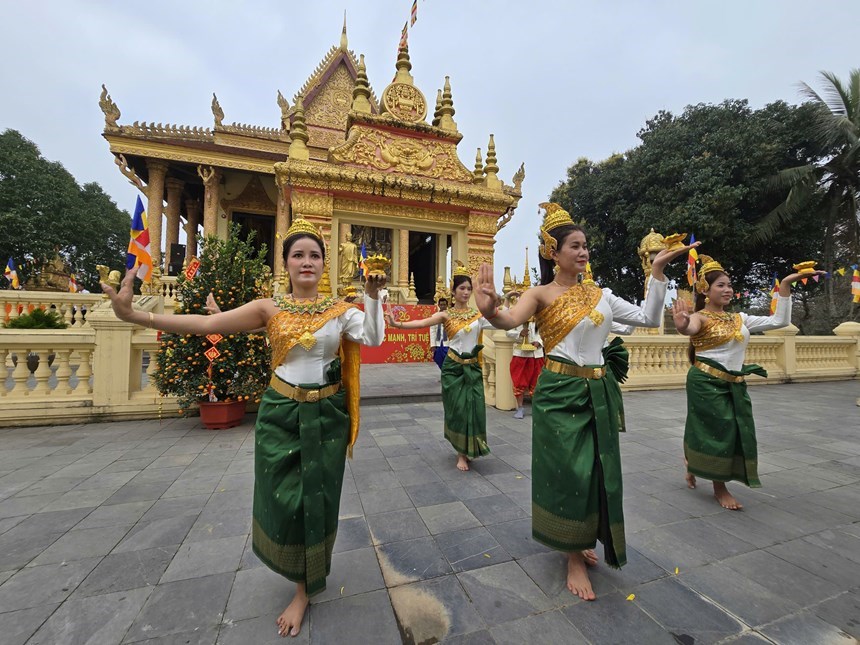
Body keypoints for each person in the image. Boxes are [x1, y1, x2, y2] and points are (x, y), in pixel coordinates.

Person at [101, 217, 386, 638]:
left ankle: (304, 589)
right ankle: (295, 571)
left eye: (314, 255)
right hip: (279, 415)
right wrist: (134, 316)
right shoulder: (268, 309)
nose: (306, 262)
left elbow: (376, 338)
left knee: (317, 500)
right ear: (285, 263)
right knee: (285, 500)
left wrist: (373, 296)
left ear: (325, 264)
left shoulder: (340, 311)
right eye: (298, 255)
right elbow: (206, 325)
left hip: (326, 416)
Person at [474, 203, 696, 601]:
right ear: (553, 253)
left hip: (597, 391)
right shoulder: (539, 294)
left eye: (585, 246)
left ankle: (584, 538)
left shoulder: (602, 295)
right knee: (568, 474)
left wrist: (657, 273)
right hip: (559, 394)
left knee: (596, 471)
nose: (583, 252)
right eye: (574, 246)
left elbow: (648, 317)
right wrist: (489, 306)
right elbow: (508, 321)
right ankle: (572, 554)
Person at [672, 256, 822, 510]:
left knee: (726, 430)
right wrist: (683, 323)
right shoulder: (701, 317)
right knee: (719, 432)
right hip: (706, 382)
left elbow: (779, 322)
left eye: (729, 284)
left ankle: (692, 462)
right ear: (705, 290)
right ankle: (720, 488)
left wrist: (785, 285)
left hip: (734, 383)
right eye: (721, 285)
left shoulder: (739, 319)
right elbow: (689, 328)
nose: (728, 289)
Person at [387, 262, 492, 471]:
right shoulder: (446, 315)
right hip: (453, 369)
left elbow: (502, 321)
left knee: (475, 409)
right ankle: (461, 454)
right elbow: (422, 323)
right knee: (458, 410)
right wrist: (398, 324)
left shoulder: (477, 315)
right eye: (462, 288)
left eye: (469, 289)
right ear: (453, 292)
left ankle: (471, 447)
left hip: (472, 368)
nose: (466, 292)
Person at [506, 317, 543, 419]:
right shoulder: (518, 315)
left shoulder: (540, 314)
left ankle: (536, 408)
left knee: (537, 383)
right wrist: (519, 334)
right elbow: (508, 332)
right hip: (520, 354)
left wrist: (539, 342)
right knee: (519, 382)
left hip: (536, 354)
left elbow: (546, 331)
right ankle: (520, 408)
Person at [429, 297, 450, 369]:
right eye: (441, 305)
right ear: (438, 305)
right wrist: (433, 344)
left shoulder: (451, 316)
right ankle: (443, 374)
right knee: (438, 359)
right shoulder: (434, 316)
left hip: (448, 343)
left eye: (444, 305)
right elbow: (432, 331)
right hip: (438, 343)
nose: (443, 306)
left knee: (448, 360)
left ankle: (446, 375)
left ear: (447, 305)